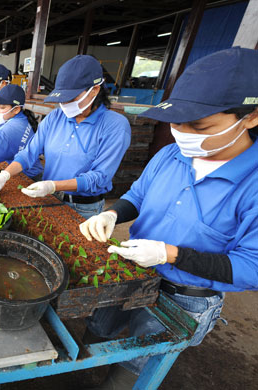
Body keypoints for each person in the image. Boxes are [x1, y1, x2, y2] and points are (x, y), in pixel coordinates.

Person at [77, 47, 258, 390]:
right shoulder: (172, 154)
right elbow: (138, 195)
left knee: (132, 368)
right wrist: (114, 213)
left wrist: (170, 254)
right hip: (130, 271)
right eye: (176, 122)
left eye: (200, 124)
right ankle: (83, 371)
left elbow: (253, 267)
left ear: (250, 117)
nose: (183, 133)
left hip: (185, 297)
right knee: (98, 331)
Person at [0, 55, 131, 219]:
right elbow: (29, 152)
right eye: (62, 99)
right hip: (47, 198)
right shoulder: (55, 117)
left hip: (82, 207)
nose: (65, 105)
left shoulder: (114, 126)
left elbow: (99, 177)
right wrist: (4, 175)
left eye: (71, 98)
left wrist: (53, 186)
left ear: (94, 90)